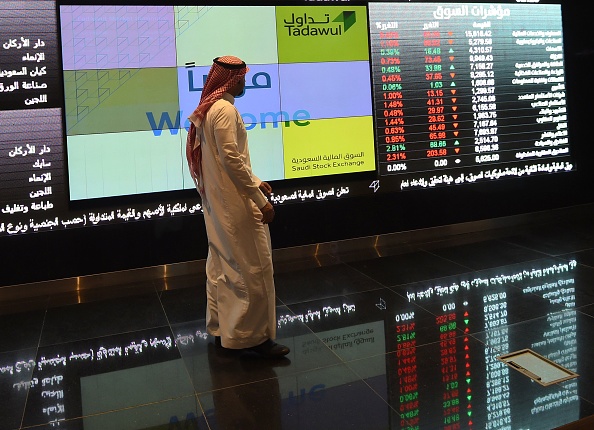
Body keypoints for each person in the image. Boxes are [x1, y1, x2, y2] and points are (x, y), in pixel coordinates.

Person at [186, 56, 289, 358]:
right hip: (235, 204)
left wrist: (255, 180)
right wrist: (260, 200)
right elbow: (231, 160)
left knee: (221, 266)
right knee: (253, 268)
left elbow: (222, 158)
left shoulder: (210, 109)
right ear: (231, 80)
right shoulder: (225, 110)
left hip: (218, 202)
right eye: (242, 77)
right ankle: (252, 338)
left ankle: (223, 330)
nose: (245, 82)